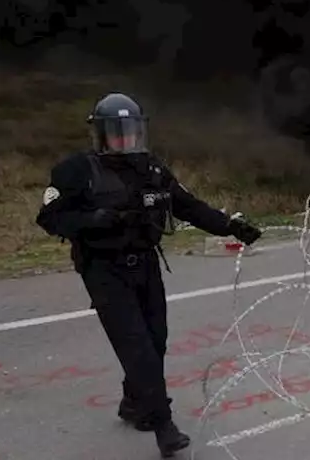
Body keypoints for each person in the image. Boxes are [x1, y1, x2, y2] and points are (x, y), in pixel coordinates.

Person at [35, 93, 263, 457]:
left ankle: (133, 403)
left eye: (131, 131)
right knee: (137, 348)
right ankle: (163, 424)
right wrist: (94, 220)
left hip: (145, 264)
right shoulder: (77, 171)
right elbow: (50, 217)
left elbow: (188, 206)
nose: (125, 140)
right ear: (101, 135)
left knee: (154, 341)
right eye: (117, 133)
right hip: (104, 270)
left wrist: (230, 227)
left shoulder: (152, 169)